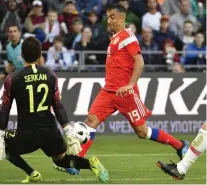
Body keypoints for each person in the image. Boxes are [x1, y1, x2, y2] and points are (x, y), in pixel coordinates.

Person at [56, 4, 189, 174]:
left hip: (126, 94)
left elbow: (139, 61)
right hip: (108, 91)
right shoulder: (115, 38)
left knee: (142, 131)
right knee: (90, 122)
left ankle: (180, 145)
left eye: (112, 16)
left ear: (122, 18)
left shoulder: (128, 37)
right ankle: (75, 164)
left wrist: (131, 84)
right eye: (108, 17)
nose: (109, 20)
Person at [0, 37, 109, 183]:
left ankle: (32, 173)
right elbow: (57, 105)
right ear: (41, 54)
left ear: (21, 55)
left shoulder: (12, 79)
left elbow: (5, 109)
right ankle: (90, 164)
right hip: (50, 132)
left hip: (26, 135)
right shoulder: (50, 75)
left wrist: (1, 133)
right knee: (60, 160)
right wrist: (67, 130)